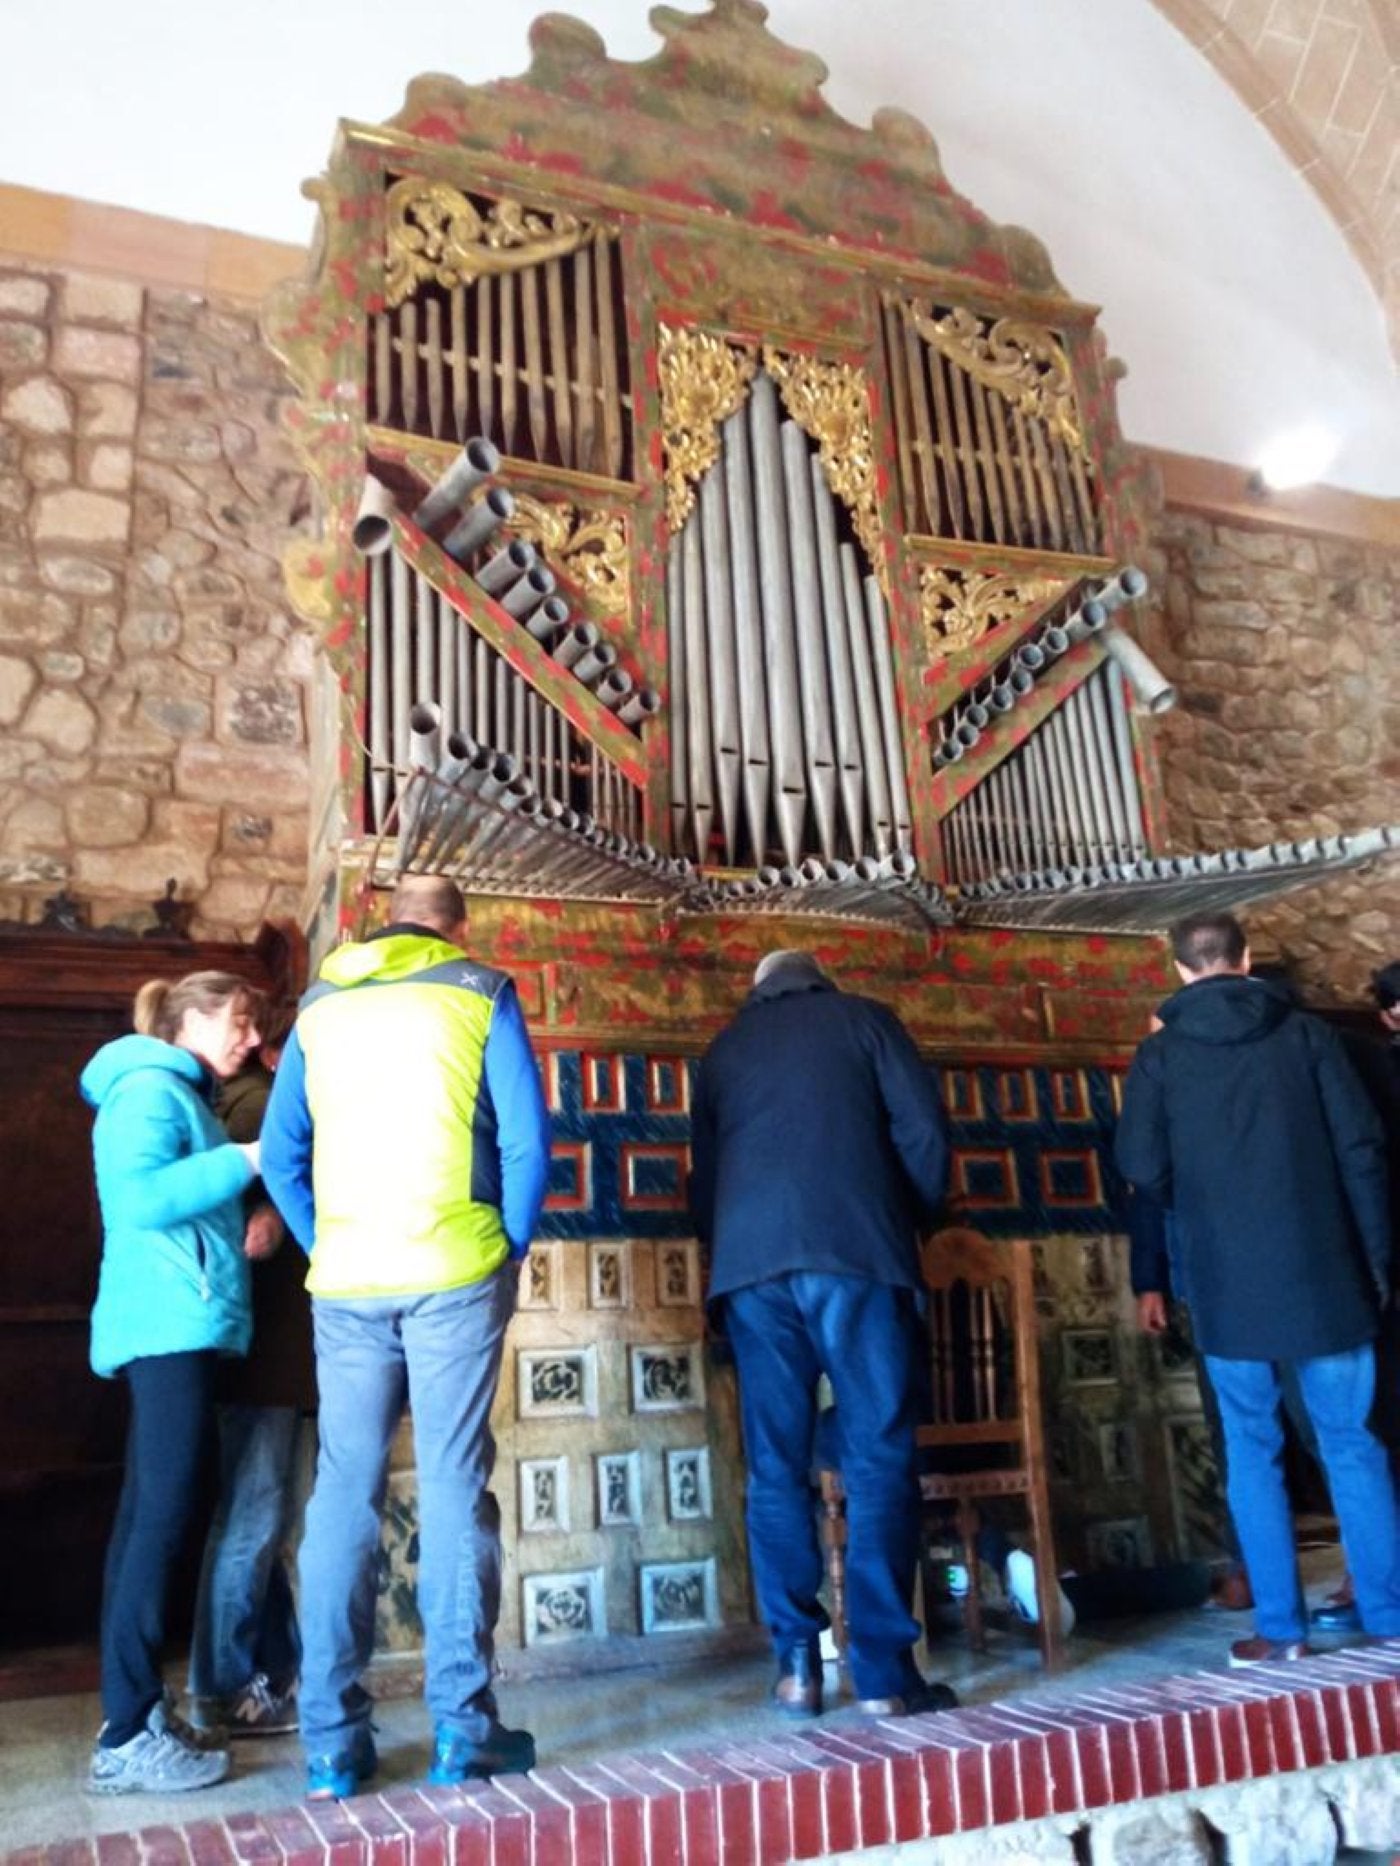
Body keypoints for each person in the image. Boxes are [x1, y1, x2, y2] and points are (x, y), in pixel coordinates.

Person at [261, 875, 551, 1801]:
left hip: (348, 1280)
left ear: (382, 924)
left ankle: (330, 1745)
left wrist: (323, 1243)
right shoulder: (478, 990)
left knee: (343, 1491)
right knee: (455, 1483)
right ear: (457, 928)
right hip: (454, 1271)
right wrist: (501, 1249)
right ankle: (464, 1734)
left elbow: (279, 1153)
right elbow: (528, 1146)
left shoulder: (319, 1007)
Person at [1115, 911, 1400, 1666]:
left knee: (1252, 1450)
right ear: (1245, 961)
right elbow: (1363, 1151)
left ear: (1180, 970)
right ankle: (1391, 1616)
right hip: (1328, 1276)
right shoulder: (1311, 1039)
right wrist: (1376, 1260)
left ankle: (1282, 1631)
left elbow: (1141, 1163)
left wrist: (1202, 1204)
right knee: (1352, 1444)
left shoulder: (1161, 1056)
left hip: (1227, 1286)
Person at [690, 948, 957, 1719]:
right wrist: (912, 1218)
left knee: (775, 1467)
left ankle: (797, 1668)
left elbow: (703, 1182)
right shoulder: (868, 1022)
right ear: (820, 979)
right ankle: (881, 1673)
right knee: (878, 1455)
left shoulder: (724, 1050)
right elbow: (923, 1135)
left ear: (758, 989)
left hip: (749, 1272)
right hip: (857, 1255)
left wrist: (734, 1247)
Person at [81, 971, 264, 1794]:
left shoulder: (171, 1090)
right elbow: (139, 1197)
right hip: (166, 1327)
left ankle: (137, 1712)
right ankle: (126, 1735)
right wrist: (246, 1159)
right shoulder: (149, 1088)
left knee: (144, 1521)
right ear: (191, 1019)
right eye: (239, 1021)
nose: (251, 1039)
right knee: (157, 1522)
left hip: (173, 1325)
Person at [188, 1000, 316, 1737]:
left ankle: (260, 1675)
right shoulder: (260, 1107)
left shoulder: (232, 1102)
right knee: (255, 1517)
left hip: (260, 1352)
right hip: (267, 1352)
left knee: (254, 1515)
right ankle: (226, 1687)